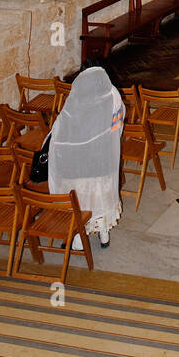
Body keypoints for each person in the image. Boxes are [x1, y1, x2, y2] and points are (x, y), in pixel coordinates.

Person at [48, 66, 124, 248]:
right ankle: (103, 232)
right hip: (103, 160)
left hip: (76, 162)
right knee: (100, 194)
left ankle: (77, 238)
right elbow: (117, 124)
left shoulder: (76, 99)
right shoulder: (113, 95)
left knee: (79, 196)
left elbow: (59, 130)